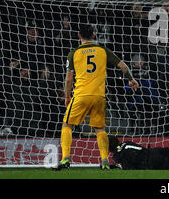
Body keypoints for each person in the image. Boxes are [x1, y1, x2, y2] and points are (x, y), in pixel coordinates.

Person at [53, 24, 139, 171]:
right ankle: (105, 161)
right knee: (100, 129)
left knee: (67, 125)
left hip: (81, 95)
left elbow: (68, 80)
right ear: (93, 36)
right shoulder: (103, 50)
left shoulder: (73, 53)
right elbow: (123, 66)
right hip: (99, 96)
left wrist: (67, 97)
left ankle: (65, 158)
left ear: (79, 36)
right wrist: (131, 79)